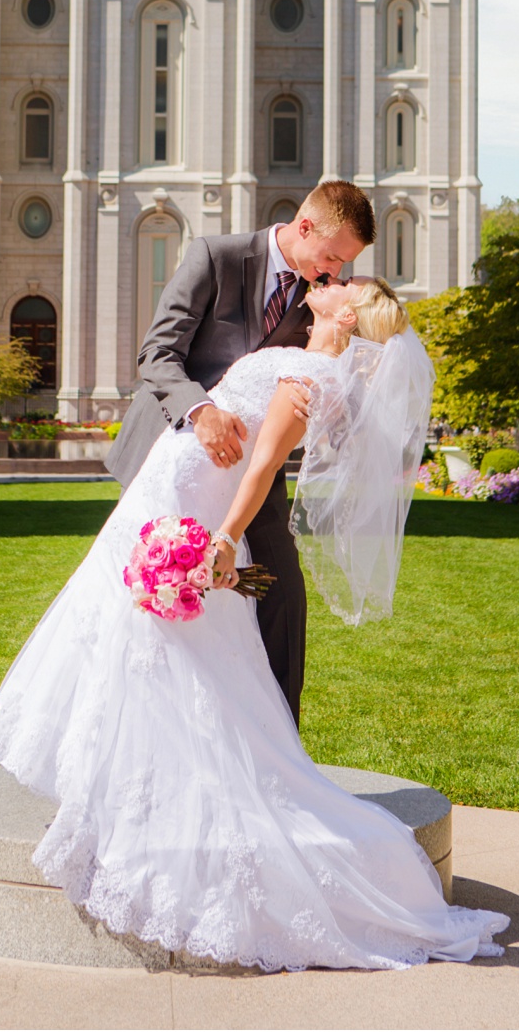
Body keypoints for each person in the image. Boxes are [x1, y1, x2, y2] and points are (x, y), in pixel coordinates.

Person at [0, 276, 510, 970]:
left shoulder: (308, 378)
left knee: (163, 652)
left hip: (196, 507)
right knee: (124, 635)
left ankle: (142, 791)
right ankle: (116, 776)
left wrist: (222, 540)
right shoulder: (302, 356)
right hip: (173, 484)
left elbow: (259, 471)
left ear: (346, 312)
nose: (330, 280)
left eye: (343, 281)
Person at [106, 181, 374, 724]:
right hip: (174, 455)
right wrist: (201, 413)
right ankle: (147, 731)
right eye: (330, 256)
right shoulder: (217, 257)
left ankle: (280, 748)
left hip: (255, 470)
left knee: (282, 596)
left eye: (345, 265)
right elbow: (158, 353)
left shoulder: (322, 298)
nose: (333, 273)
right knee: (152, 601)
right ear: (304, 227)